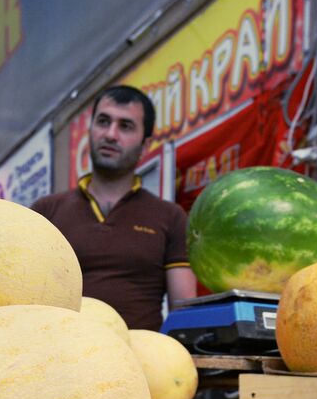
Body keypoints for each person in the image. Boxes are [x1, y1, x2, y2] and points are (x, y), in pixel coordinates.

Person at [32, 85, 197, 330]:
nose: (110, 134)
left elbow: (184, 315)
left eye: (125, 126)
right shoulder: (46, 212)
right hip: (60, 357)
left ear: (146, 144)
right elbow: (24, 298)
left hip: (141, 363)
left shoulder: (170, 217)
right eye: (103, 121)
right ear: (90, 131)